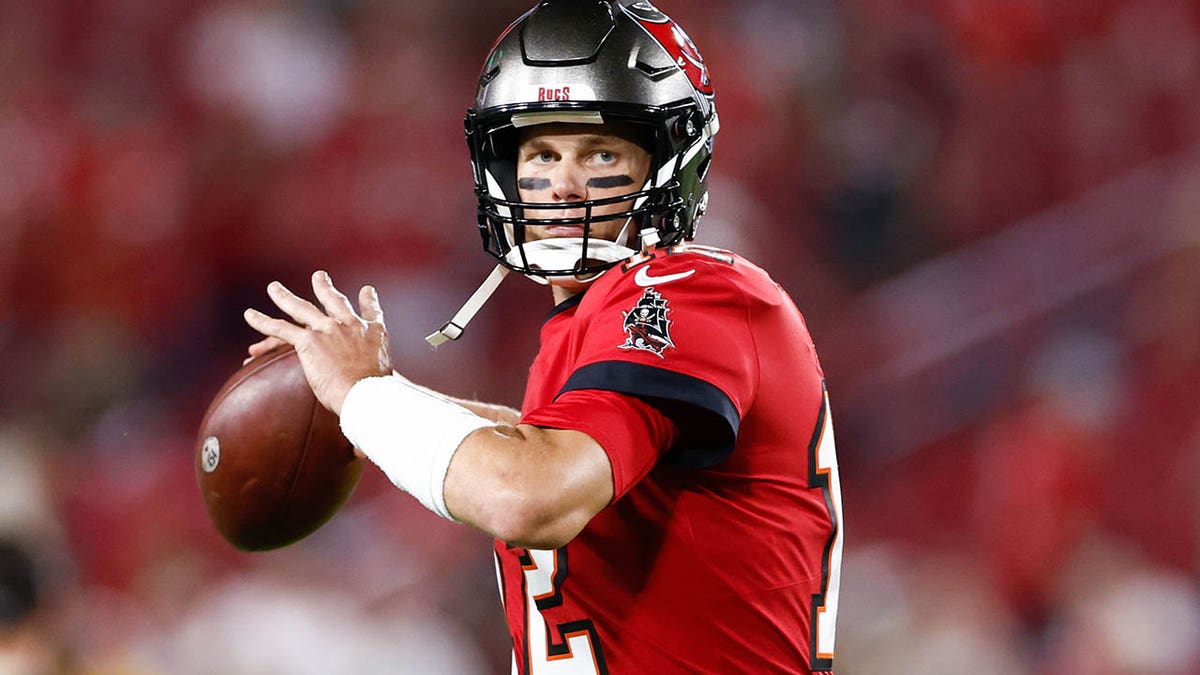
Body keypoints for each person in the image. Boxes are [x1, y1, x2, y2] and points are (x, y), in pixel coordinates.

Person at [243, 1, 844, 672]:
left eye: (601, 152)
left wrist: (366, 399)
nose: (561, 182)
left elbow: (528, 494)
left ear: (668, 162)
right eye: (542, 152)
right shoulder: (588, 326)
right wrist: (379, 395)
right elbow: (546, 446)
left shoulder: (689, 291)